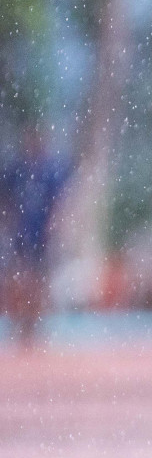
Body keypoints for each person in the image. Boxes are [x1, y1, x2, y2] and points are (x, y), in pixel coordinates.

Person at [0, 124, 70, 348]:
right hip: (22, 232)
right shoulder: (18, 169)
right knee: (21, 277)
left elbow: (59, 201)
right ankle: (21, 321)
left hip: (38, 233)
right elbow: (8, 200)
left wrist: (54, 225)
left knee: (36, 278)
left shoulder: (48, 171)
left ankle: (34, 323)